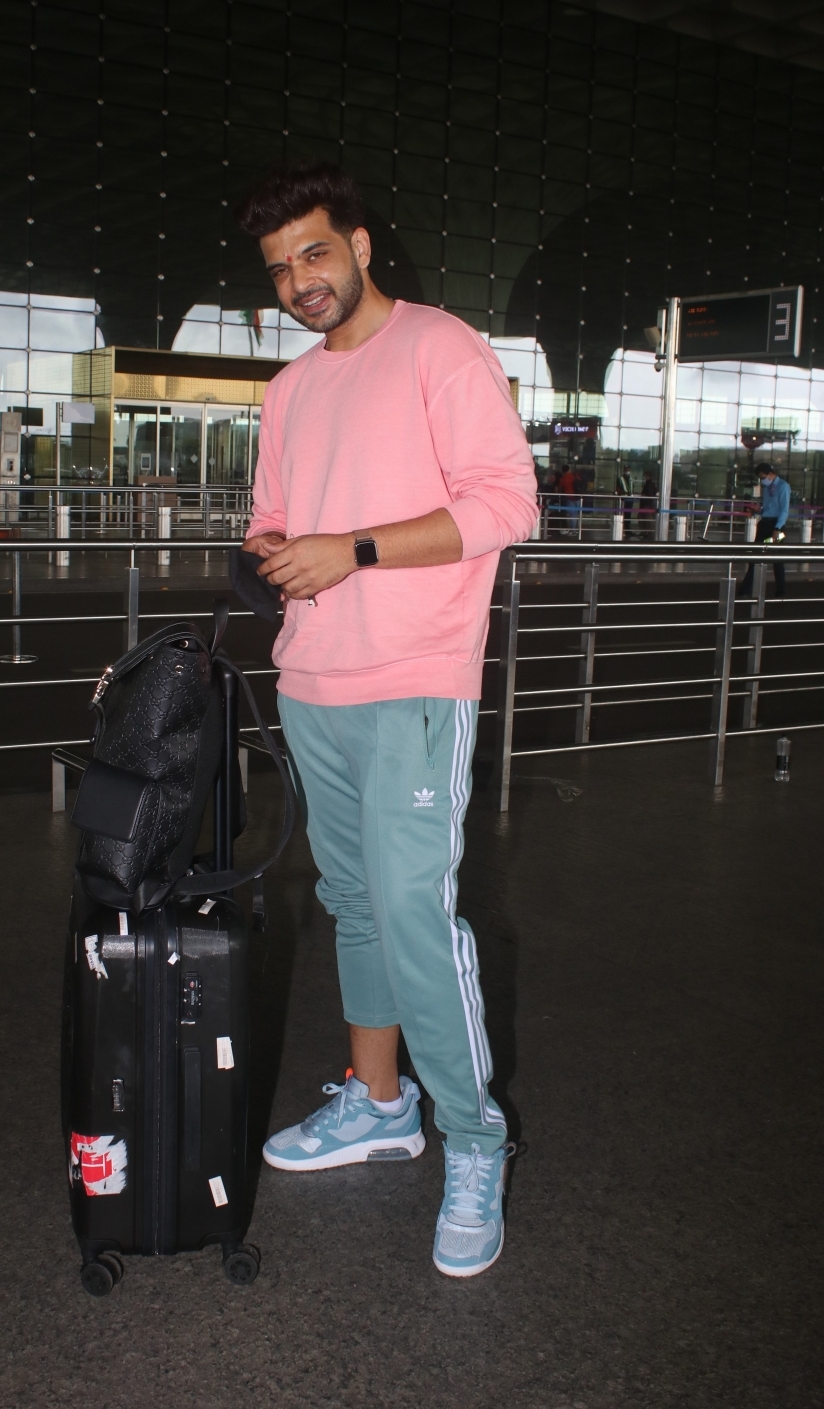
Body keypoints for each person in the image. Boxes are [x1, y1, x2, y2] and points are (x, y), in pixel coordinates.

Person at [236, 161, 538, 1278]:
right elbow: (274, 518)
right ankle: (376, 1103)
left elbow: (507, 502)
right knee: (354, 904)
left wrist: (351, 548)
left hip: (415, 680)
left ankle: (475, 1139)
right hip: (313, 680)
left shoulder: (441, 347)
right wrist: (278, 556)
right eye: (278, 269)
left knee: (414, 915)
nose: (299, 281)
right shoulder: (291, 390)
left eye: (314, 253)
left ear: (358, 246)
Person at [739, 462, 790, 599]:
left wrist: (777, 528)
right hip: (765, 524)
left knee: (777, 559)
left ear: (771, 474)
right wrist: (758, 510)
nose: (762, 481)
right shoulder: (767, 488)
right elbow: (768, 508)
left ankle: (780, 591)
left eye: (763, 477)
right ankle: (745, 589)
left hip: (776, 527)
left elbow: (784, 510)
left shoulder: (783, 487)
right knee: (755, 556)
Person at [558, 462, 578, 533]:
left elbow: (560, 489)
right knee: (576, 514)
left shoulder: (563, 478)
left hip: (569, 497)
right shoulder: (574, 476)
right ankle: (574, 529)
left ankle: (573, 530)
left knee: (572, 514)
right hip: (578, 497)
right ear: (569, 469)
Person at [640, 472, 657, 541]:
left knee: (647, 519)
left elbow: (649, 495)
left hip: (647, 505)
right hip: (648, 505)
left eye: (645, 476)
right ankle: (647, 532)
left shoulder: (649, 484)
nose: (645, 477)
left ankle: (647, 533)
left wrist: (644, 496)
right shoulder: (651, 484)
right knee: (646, 519)